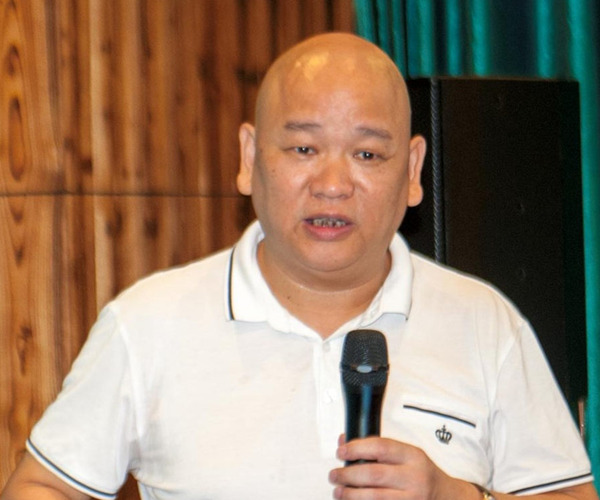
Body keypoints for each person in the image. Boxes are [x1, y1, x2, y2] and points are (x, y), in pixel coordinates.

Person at [1, 32, 598, 500]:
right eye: (304, 148)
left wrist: (457, 496)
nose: (333, 184)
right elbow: (43, 487)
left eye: (367, 154)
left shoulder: (485, 325)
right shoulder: (147, 324)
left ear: (414, 170)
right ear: (249, 157)